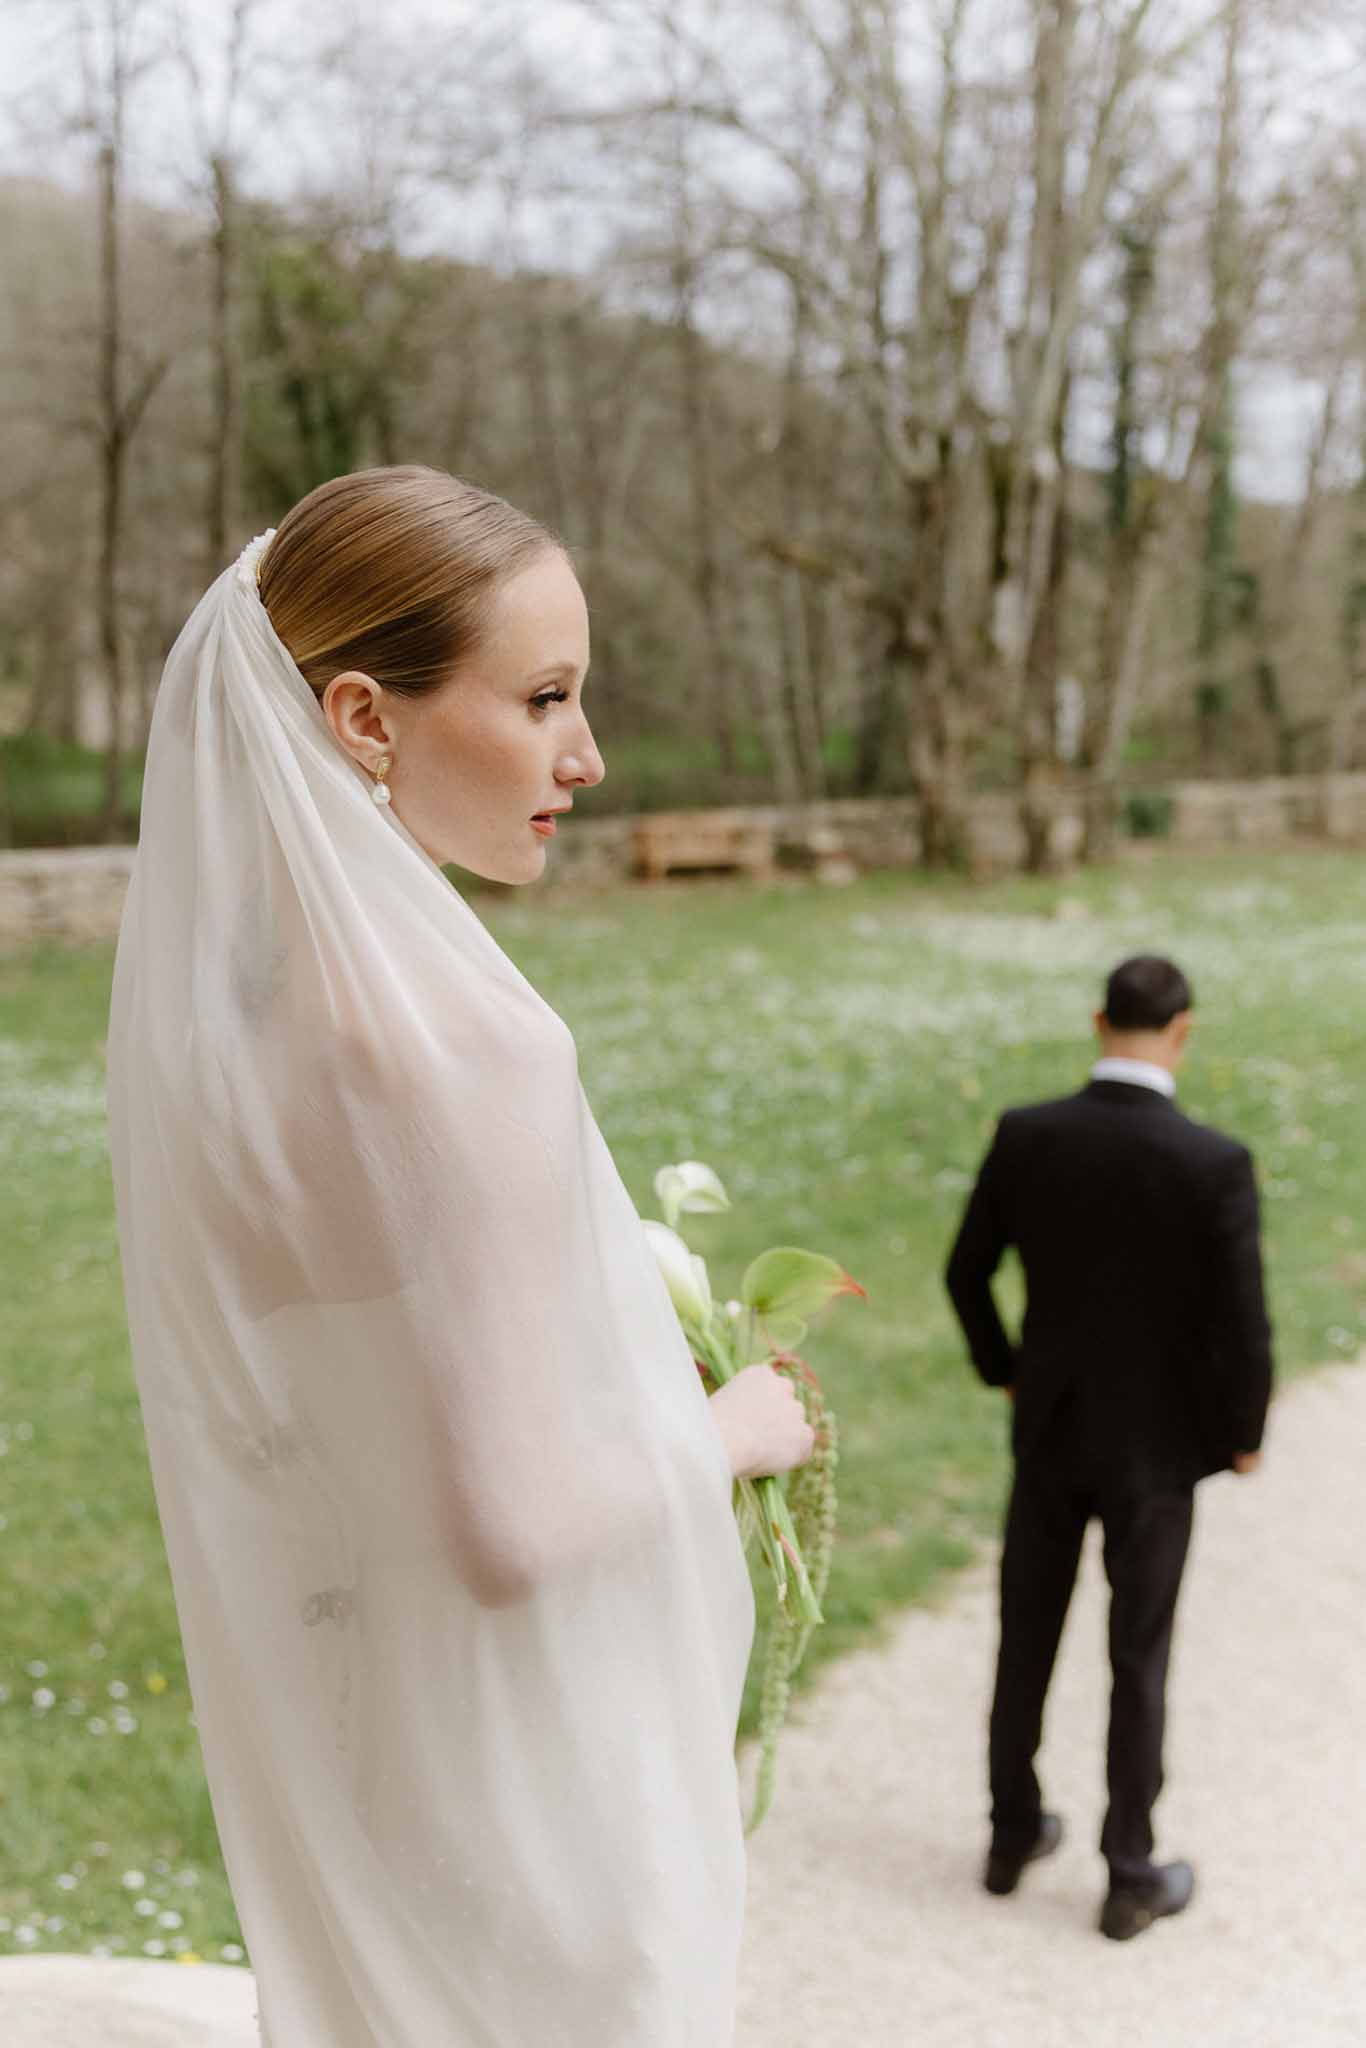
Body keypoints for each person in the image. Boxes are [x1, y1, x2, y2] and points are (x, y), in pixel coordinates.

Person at [105, 465, 813, 2045]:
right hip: (529, 1760)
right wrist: (728, 1427)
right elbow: (510, 1524)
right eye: (545, 697)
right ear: (363, 720)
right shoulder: (466, 1058)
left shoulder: (222, 1040)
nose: (588, 754)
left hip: (366, 1742)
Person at [944, 955, 1273, 1941]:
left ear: (1098, 1021)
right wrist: (1242, 1433)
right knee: (1139, 1652)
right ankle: (1129, 1868)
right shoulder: (1212, 1160)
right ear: (1182, 1032)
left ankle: (1010, 1834)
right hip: (1157, 1451)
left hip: (1049, 1426)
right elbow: (1242, 1323)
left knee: (1025, 1634)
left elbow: (965, 1270)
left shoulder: (1028, 1133)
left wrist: (1004, 1366)